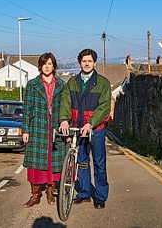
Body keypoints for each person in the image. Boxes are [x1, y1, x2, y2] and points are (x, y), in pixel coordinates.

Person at [59, 48, 111, 209]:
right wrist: (64, 120)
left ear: (94, 63)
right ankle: (84, 193)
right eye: (84, 61)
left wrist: (91, 123)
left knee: (99, 163)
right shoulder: (72, 82)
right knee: (81, 162)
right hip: (78, 128)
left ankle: (101, 197)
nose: (87, 63)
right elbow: (66, 103)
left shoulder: (103, 83)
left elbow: (104, 107)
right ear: (80, 63)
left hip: (96, 129)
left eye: (89, 61)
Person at [22, 52, 67, 207]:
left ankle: (50, 190)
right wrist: (25, 130)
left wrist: (66, 125)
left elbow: (66, 108)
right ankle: (35, 194)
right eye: (44, 64)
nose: (47, 66)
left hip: (56, 127)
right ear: (40, 66)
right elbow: (27, 108)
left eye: (50, 63)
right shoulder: (32, 85)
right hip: (37, 128)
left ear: (54, 66)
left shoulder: (62, 85)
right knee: (36, 163)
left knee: (53, 161)